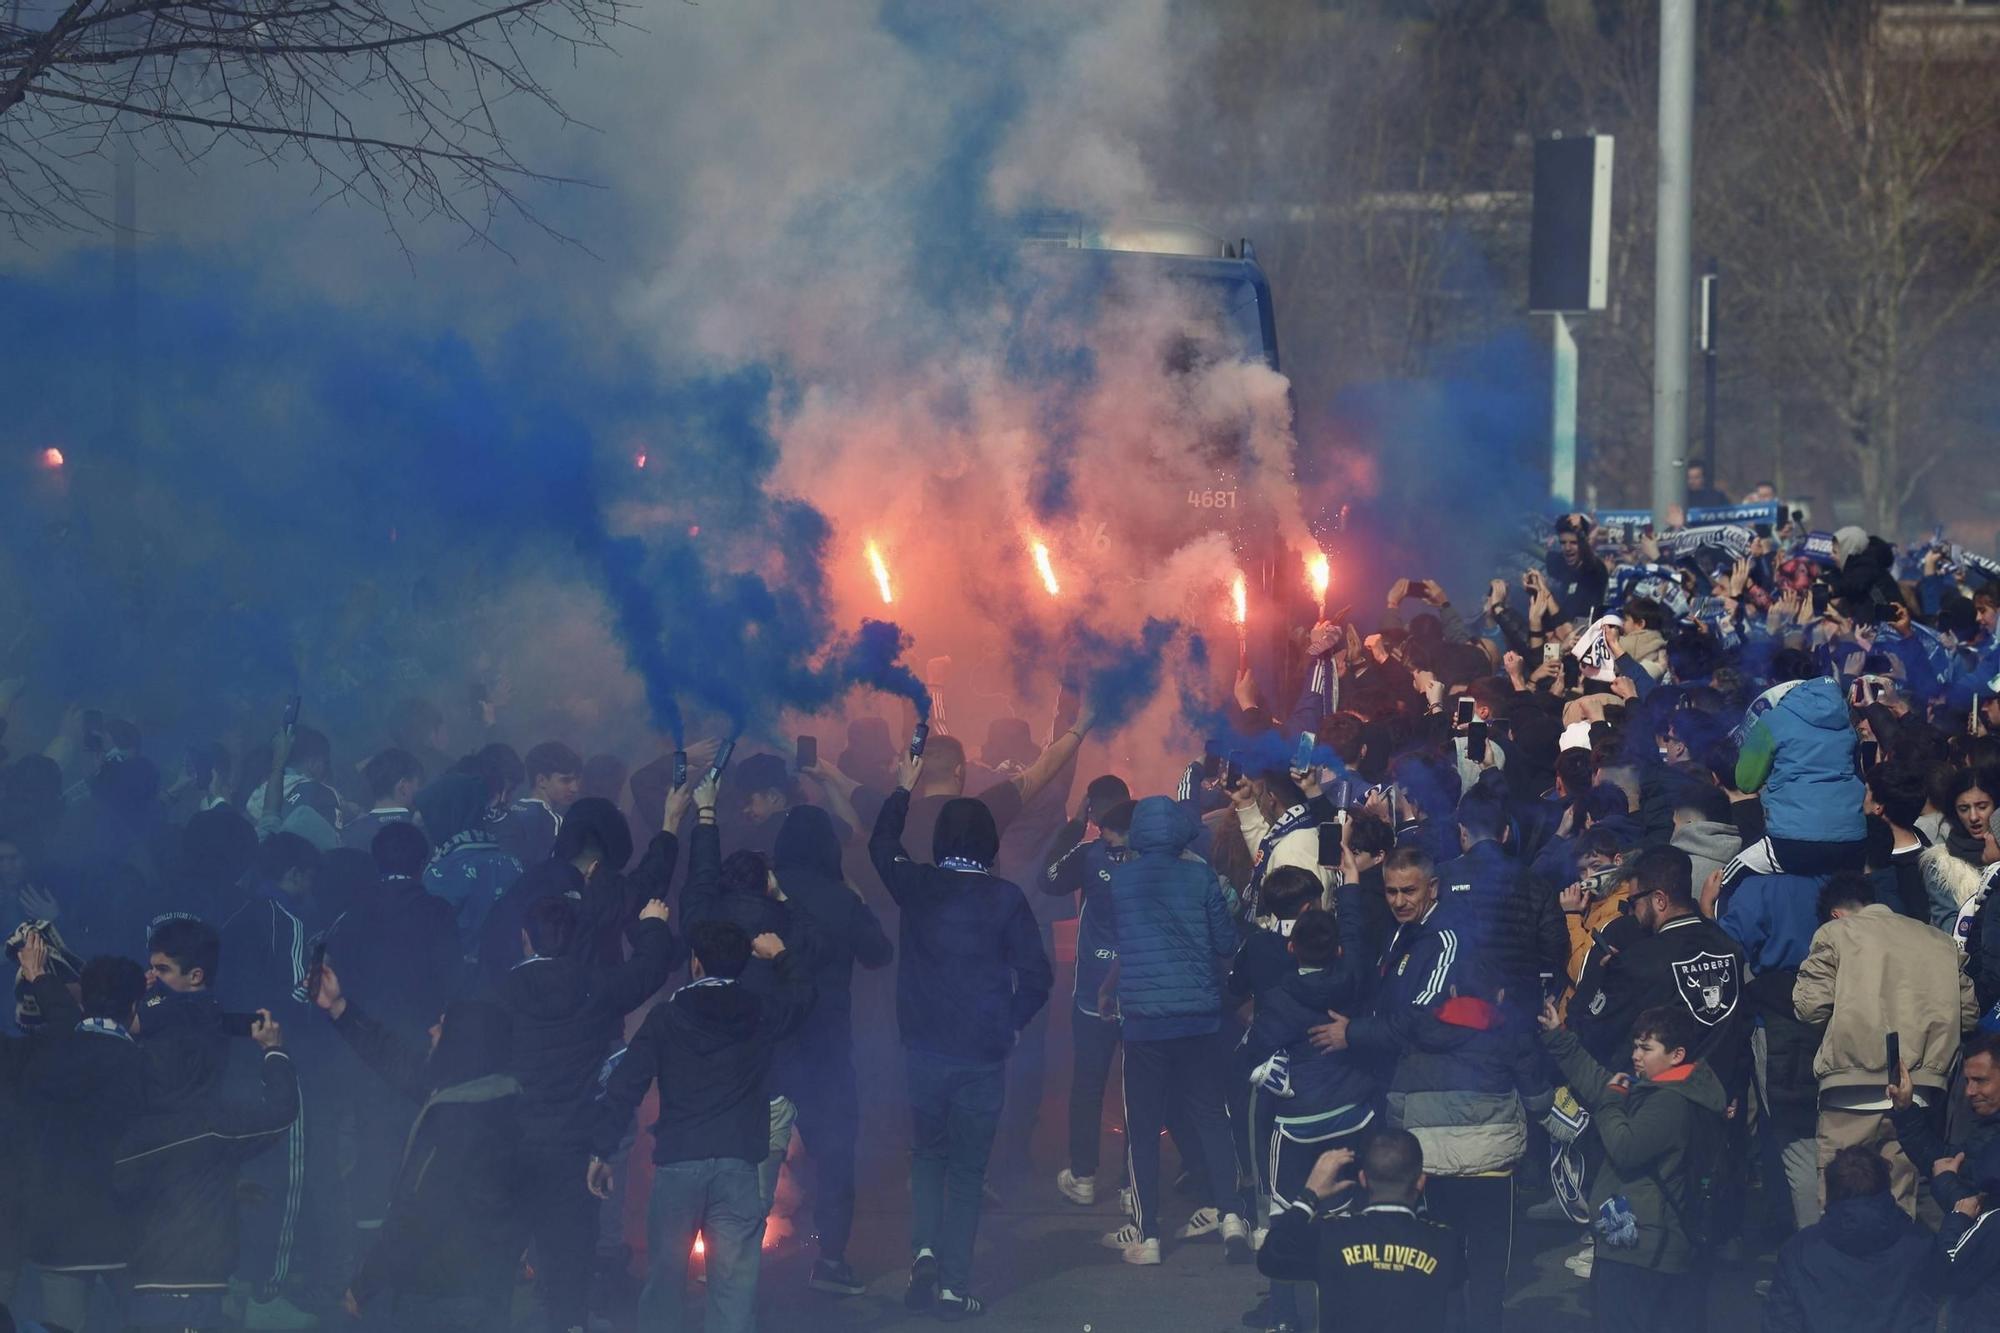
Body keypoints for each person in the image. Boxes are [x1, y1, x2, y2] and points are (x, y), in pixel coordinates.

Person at [869, 750, 1052, 1317]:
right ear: (990, 844)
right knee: (969, 1172)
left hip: (923, 1050)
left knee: (927, 1155)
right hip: (982, 1053)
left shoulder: (919, 886)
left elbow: (880, 845)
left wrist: (902, 787)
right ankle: (953, 1285)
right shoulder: (1006, 898)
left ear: (943, 839)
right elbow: (1039, 976)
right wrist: (1014, 1023)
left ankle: (923, 1249)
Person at [587, 920, 813, 1333]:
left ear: (695, 963)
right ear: (744, 964)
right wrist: (781, 955)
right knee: (733, 1291)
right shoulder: (761, 1012)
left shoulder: (666, 1018)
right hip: (738, 1165)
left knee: (664, 1287)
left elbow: (625, 1084)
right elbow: (802, 998)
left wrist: (602, 1149)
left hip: (678, 1167)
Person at [499, 887, 679, 1333]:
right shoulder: (594, 985)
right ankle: (568, 1320)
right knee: (574, 1245)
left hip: (516, 1140)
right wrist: (653, 924)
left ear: (525, 939)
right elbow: (649, 968)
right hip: (578, 1142)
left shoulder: (500, 993)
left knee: (514, 1243)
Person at [312, 958, 526, 1332]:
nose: (430, 1030)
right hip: (483, 1286)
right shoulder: (492, 1094)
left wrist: (364, 1284)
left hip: (442, 1295)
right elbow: (396, 1059)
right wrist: (339, 1008)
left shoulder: (457, 1119)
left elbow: (417, 1213)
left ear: (464, 1042)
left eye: (441, 1026)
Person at [1098, 794, 1254, 1267]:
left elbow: (1124, 942)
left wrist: (1109, 990)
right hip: (1200, 1019)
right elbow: (1226, 943)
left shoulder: (1121, 881)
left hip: (1145, 1024)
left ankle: (1147, 1235)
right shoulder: (1201, 876)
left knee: (1142, 1126)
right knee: (1211, 1115)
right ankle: (1232, 1216)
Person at [1793, 872, 1975, 1216]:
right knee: (1900, 1199)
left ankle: (1839, 1269)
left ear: (1836, 913)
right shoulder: (1938, 940)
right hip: (1919, 1092)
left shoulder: (1835, 933)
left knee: (1839, 1199)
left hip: (1850, 1088)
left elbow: (1809, 1007)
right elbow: (1966, 1015)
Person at [1538, 1003, 1728, 1330]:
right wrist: (1560, 1038)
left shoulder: (1671, 1102)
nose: (1636, 1055)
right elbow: (1602, 1083)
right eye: (1635, 1046)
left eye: (1646, 1048)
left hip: (1643, 1249)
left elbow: (1625, 1146)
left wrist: (1611, 1102)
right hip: (1636, 1240)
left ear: (1676, 1055)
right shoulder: (1660, 1088)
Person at [768, 801, 894, 1296]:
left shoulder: (762, 888)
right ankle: (832, 1260)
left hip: (768, 1044)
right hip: (824, 1045)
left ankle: (727, 1256)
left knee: (749, 1152)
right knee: (835, 1153)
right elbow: (879, 954)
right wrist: (857, 902)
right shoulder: (840, 897)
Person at [116, 1003, 299, 1333]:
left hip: (142, 1282)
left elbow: (156, 1183)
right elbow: (281, 1113)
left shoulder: (131, 1125)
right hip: (188, 1289)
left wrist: (224, 1184)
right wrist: (274, 1051)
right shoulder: (210, 1126)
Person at [19, 955, 149, 1333]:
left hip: (57, 1233)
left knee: (61, 1327)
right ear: (134, 1007)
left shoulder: (45, 1054)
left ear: (82, 999)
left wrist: (40, 977)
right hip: (125, 1231)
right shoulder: (141, 1067)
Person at [1567, 845, 1748, 1095]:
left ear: (1660, 900)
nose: (1632, 911)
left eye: (1634, 901)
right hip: (1718, 1098)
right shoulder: (1730, 948)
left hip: (1664, 1106)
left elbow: (1594, 1032)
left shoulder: (1639, 962)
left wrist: (1607, 979)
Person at [1255, 1130, 1468, 1331]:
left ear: (1364, 1179)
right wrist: (1419, 1209)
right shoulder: (1444, 1242)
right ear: (1421, 1182)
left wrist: (1308, 1197)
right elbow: (1457, 1306)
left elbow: (1271, 1259)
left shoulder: (1332, 1235)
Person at [1041, 792, 1134, 1208]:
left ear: (1094, 814)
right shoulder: (1154, 856)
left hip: (1093, 987)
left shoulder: (1089, 854)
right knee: (1140, 1087)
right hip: (1141, 986)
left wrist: (1074, 824)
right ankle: (1134, 1182)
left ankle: (1083, 1176)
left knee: (1088, 1085)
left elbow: (1048, 877)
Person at [1761, 1145, 1937, 1333]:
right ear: (1886, 1189)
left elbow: (1781, 1323)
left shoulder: (1799, 1250)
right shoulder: (1919, 1243)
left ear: (1830, 1191)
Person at [1722, 672, 1867, 888]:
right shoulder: (1847, 725)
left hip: (1791, 840)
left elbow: (1745, 782)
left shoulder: (1774, 720)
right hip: (1851, 839)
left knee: (1724, 881)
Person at [1434, 785, 1566, 1014]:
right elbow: (1555, 947)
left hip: (1453, 1006)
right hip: (1518, 1010)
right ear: (1505, 833)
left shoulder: (1441, 878)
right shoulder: (1537, 883)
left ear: (1462, 831)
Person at [415, 770, 525, 962]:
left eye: (428, 817)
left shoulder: (443, 871)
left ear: (444, 816)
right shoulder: (510, 862)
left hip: (458, 981)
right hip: (508, 975)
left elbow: (431, 938)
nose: (424, 824)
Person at [1888, 1032, 2000, 1214]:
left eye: (1980, 1080)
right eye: (1967, 1081)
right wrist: (1905, 1109)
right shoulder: (1989, 1128)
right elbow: (1943, 1161)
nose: (1970, 1091)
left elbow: (1983, 1215)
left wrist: (1946, 1183)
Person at [499, 741, 582, 867]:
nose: (574, 788)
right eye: (566, 780)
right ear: (541, 780)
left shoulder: (509, 812)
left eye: (576, 780)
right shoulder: (554, 822)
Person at [344, 748, 423, 852]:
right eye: (418, 784)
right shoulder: (420, 830)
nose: (421, 790)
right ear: (403, 787)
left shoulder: (349, 833)